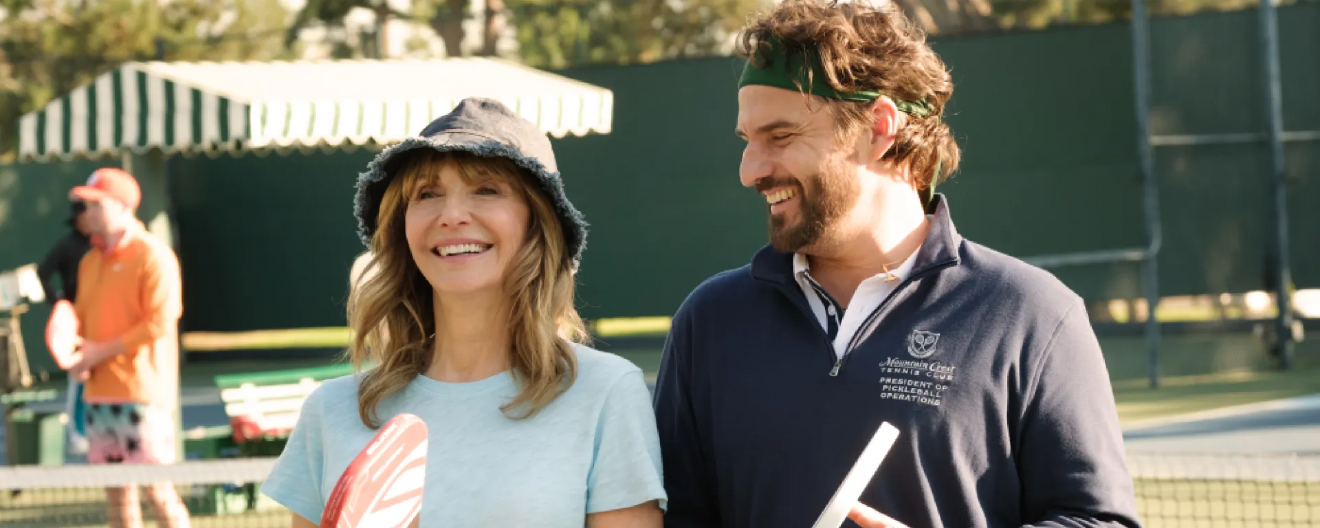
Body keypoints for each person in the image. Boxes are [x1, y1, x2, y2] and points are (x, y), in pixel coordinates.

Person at [651, 1, 1141, 527]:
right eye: (748, 141)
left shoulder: (1032, 315)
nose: (751, 171)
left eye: (781, 136)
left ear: (879, 127)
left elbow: (1099, 521)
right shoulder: (710, 323)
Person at [261, 98, 667, 527]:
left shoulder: (604, 393)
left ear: (538, 223)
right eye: (427, 194)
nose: (451, 215)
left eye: (486, 189)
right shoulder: (332, 411)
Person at [66, 167, 191, 528]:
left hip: (142, 396)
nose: (86, 212)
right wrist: (79, 356)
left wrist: (97, 351)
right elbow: (83, 323)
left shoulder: (153, 255)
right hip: (98, 396)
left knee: (158, 491)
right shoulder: (90, 262)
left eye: (95, 204)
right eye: (84, 205)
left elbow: (160, 322)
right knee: (117, 496)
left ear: (122, 206)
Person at [37, 197, 95, 456]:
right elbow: (43, 272)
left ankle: (94, 431)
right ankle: (76, 433)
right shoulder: (67, 245)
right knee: (78, 377)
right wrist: (59, 303)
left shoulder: (99, 245)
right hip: (75, 321)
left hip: (98, 319)